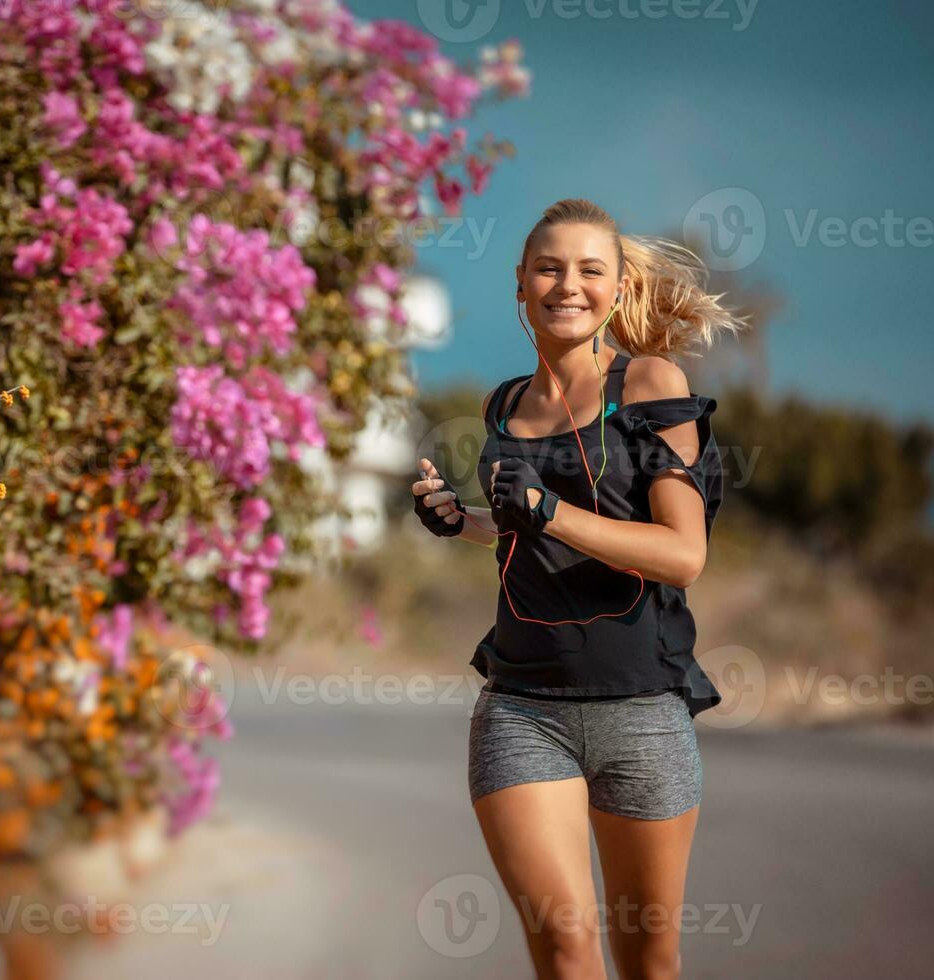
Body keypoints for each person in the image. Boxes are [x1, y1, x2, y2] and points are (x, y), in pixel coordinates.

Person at [410, 198, 748, 979]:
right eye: (549, 268)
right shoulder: (503, 406)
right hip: (522, 709)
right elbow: (521, 524)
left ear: (617, 287)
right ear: (519, 284)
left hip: (642, 709)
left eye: (590, 270)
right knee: (564, 950)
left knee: (648, 959)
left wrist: (548, 512)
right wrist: (462, 521)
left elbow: (682, 554)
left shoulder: (651, 384)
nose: (568, 285)